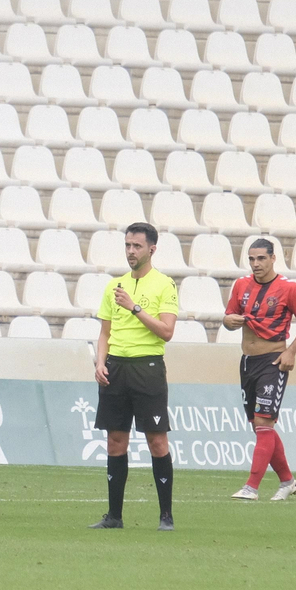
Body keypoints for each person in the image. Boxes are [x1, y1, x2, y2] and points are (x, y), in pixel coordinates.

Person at [88, 222, 179, 531]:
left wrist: (135, 307)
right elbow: (104, 332)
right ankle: (114, 516)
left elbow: (166, 331)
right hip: (116, 369)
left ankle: (165, 515)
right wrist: (100, 363)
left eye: (136, 246)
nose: (130, 251)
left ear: (151, 249)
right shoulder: (114, 286)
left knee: (156, 441)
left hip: (148, 368)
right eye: (127, 245)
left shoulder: (164, 284)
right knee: (115, 440)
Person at [226, 238, 296, 502]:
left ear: (273, 258)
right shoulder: (241, 285)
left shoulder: (289, 288)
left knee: (264, 423)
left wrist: (291, 352)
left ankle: (251, 487)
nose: (256, 264)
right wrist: (229, 321)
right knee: (259, 426)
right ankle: (287, 481)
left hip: (273, 362)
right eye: (251, 259)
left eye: (261, 258)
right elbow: (229, 317)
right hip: (247, 362)